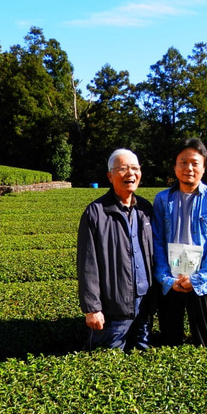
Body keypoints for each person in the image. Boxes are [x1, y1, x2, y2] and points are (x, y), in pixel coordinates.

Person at [153, 138, 207, 347]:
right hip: (171, 281)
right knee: (170, 341)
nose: (189, 168)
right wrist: (166, 279)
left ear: (204, 167)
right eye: (183, 162)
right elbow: (157, 242)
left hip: (202, 284)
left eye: (195, 163)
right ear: (175, 167)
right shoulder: (161, 200)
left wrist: (196, 279)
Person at [77, 148, 155, 351]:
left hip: (144, 308)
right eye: (122, 169)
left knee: (143, 362)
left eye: (135, 168)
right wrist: (92, 308)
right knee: (108, 366)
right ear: (110, 176)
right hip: (113, 312)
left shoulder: (146, 209)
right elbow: (87, 264)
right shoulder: (95, 212)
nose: (130, 173)